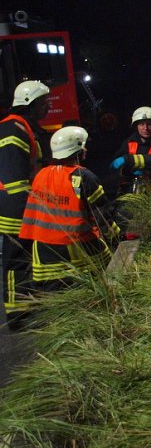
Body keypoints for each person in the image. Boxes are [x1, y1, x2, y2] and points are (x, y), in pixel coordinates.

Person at [19, 126, 120, 294]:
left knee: (54, 308)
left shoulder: (41, 175)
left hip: (43, 255)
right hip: (77, 253)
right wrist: (117, 239)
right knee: (99, 287)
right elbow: (102, 217)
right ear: (78, 150)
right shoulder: (84, 177)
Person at [0, 80, 50, 330]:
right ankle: (17, 315)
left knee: (28, 257)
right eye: (43, 103)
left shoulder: (23, 127)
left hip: (23, 204)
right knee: (16, 259)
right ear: (30, 103)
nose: (48, 106)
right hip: (15, 207)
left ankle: (29, 305)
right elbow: (14, 177)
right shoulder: (12, 129)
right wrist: (29, 209)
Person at [109, 106, 151, 195]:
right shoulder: (130, 142)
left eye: (149, 124)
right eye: (142, 124)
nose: (145, 128)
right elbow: (115, 162)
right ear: (136, 126)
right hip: (135, 191)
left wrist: (128, 160)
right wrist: (125, 170)